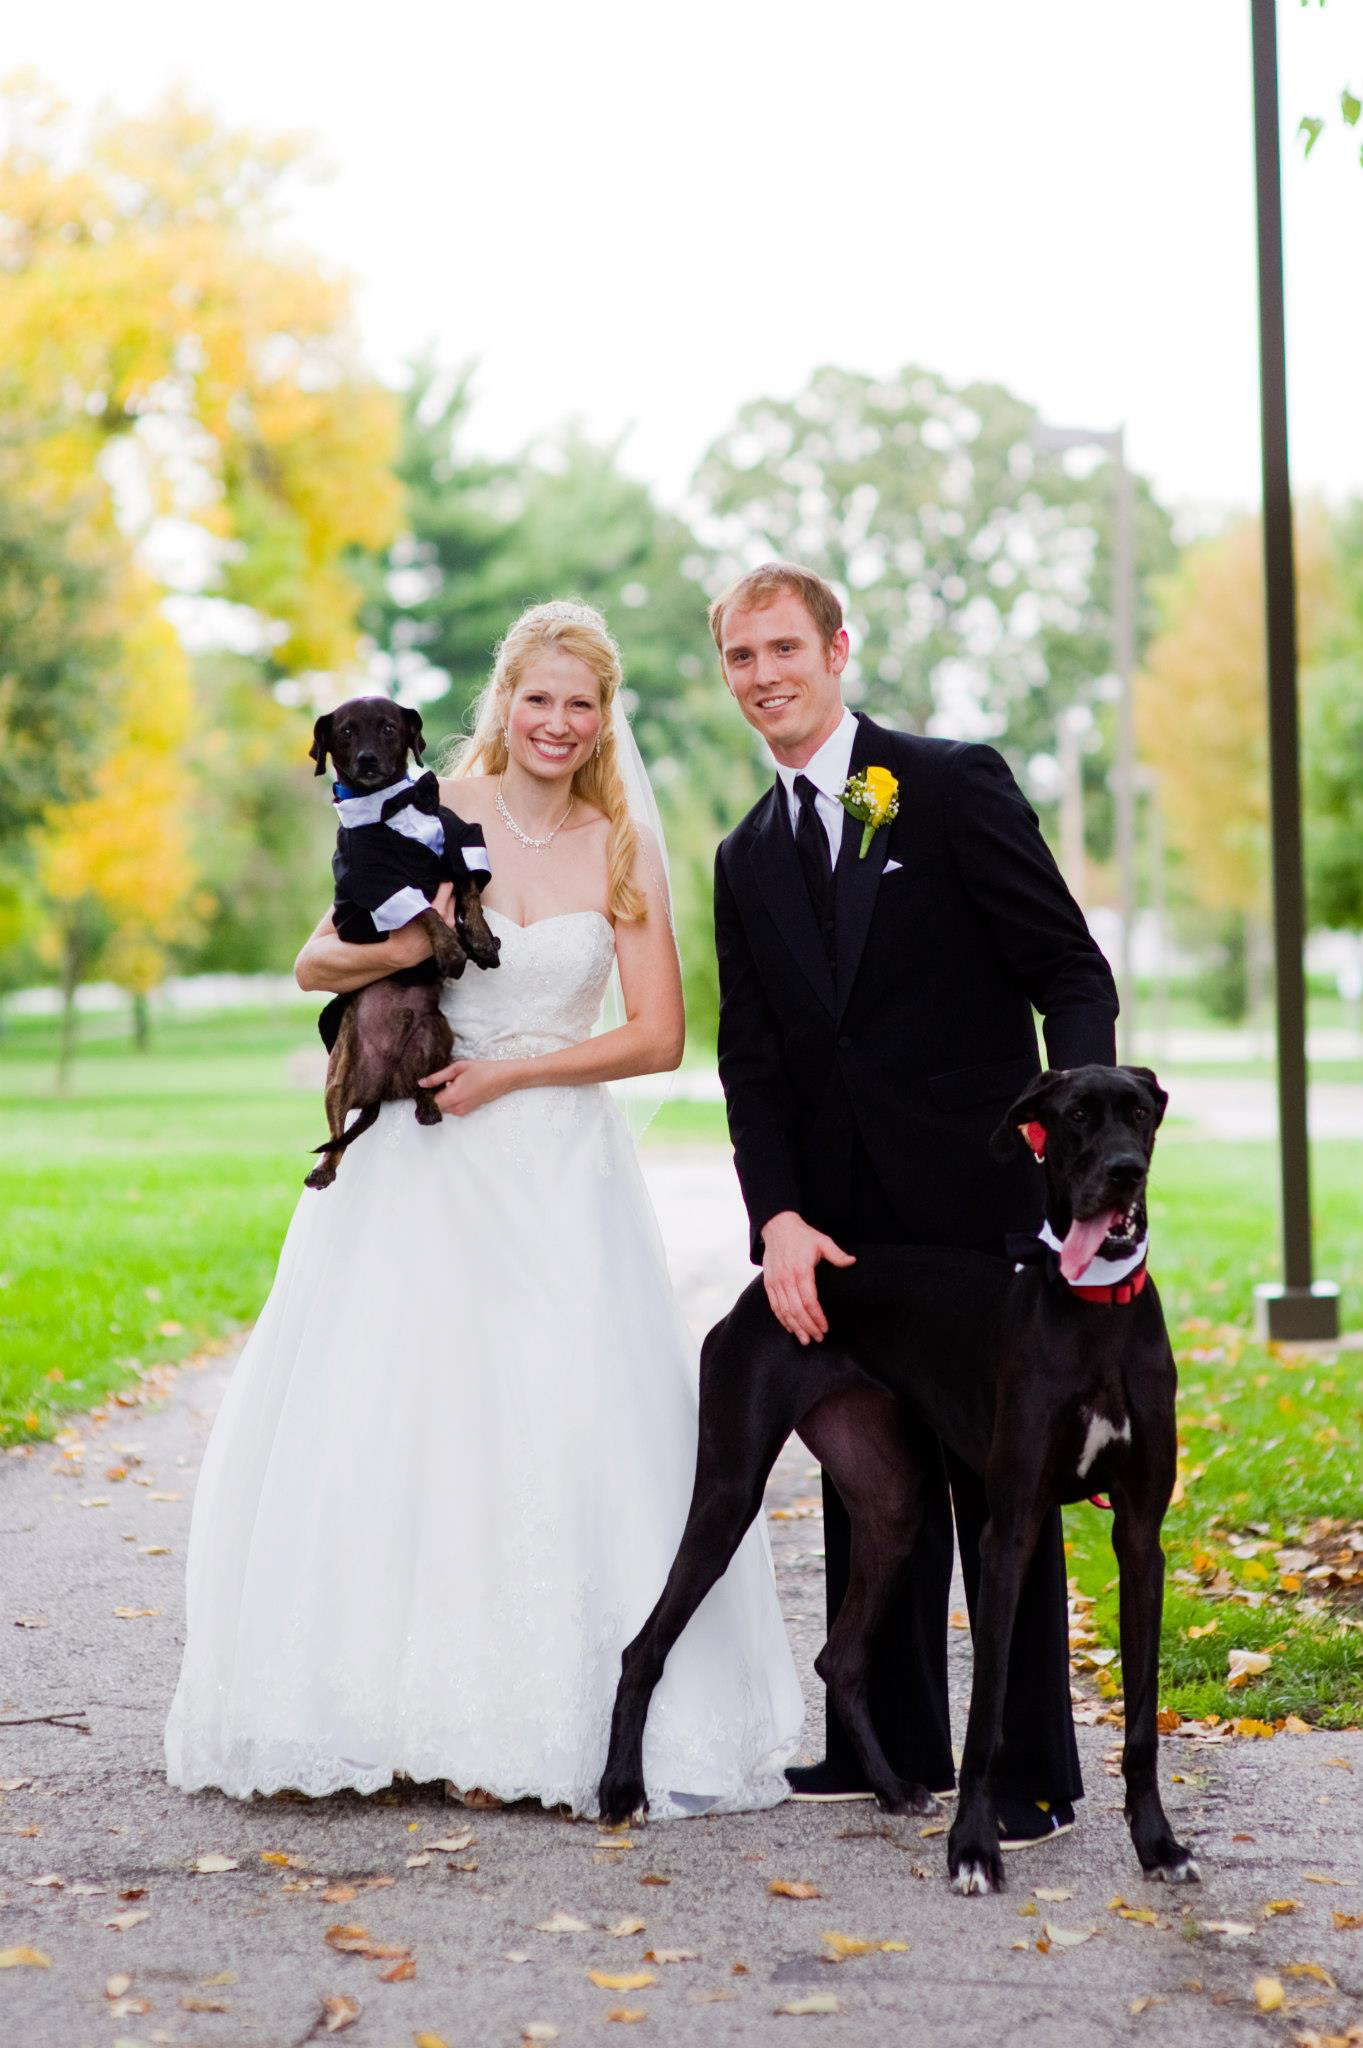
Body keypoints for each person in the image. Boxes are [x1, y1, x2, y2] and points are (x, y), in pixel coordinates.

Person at [164, 599, 803, 1817]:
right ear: (503, 699)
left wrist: (513, 1071)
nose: (557, 722)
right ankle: (379, 1706)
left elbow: (659, 1034)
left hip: (558, 1165)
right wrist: (408, 953)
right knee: (402, 1414)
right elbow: (315, 961)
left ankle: (554, 1713)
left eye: (582, 703)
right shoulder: (427, 811)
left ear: (603, 718)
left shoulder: (623, 844)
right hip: (419, 1163)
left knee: (557, 1416)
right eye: (538, 697)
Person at [710, 562, 1119, 1846]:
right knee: (865, 1478)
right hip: (843, 1234)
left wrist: (1078, 1150)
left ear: (838, 649)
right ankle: (876, 1738)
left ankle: (1027, 1770)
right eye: (739, 656)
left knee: (1003, 1490)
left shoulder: (947, 785)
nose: (764, 674)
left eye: (784, 647)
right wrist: (776, 1216)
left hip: (985, 1208)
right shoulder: (744, 853)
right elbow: (755, 1063)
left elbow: (1066, 966)